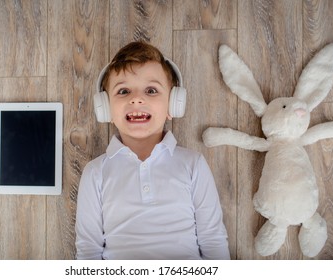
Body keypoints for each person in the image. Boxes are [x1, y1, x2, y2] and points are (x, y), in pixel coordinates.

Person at [75, 41, 230, 260]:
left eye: (151, 90)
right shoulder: (95, 173)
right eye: (123, 91)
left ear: (174, 104)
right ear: (105, 108)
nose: (136, 98)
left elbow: (213, 240)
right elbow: (88, 251)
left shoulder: (193, 164)